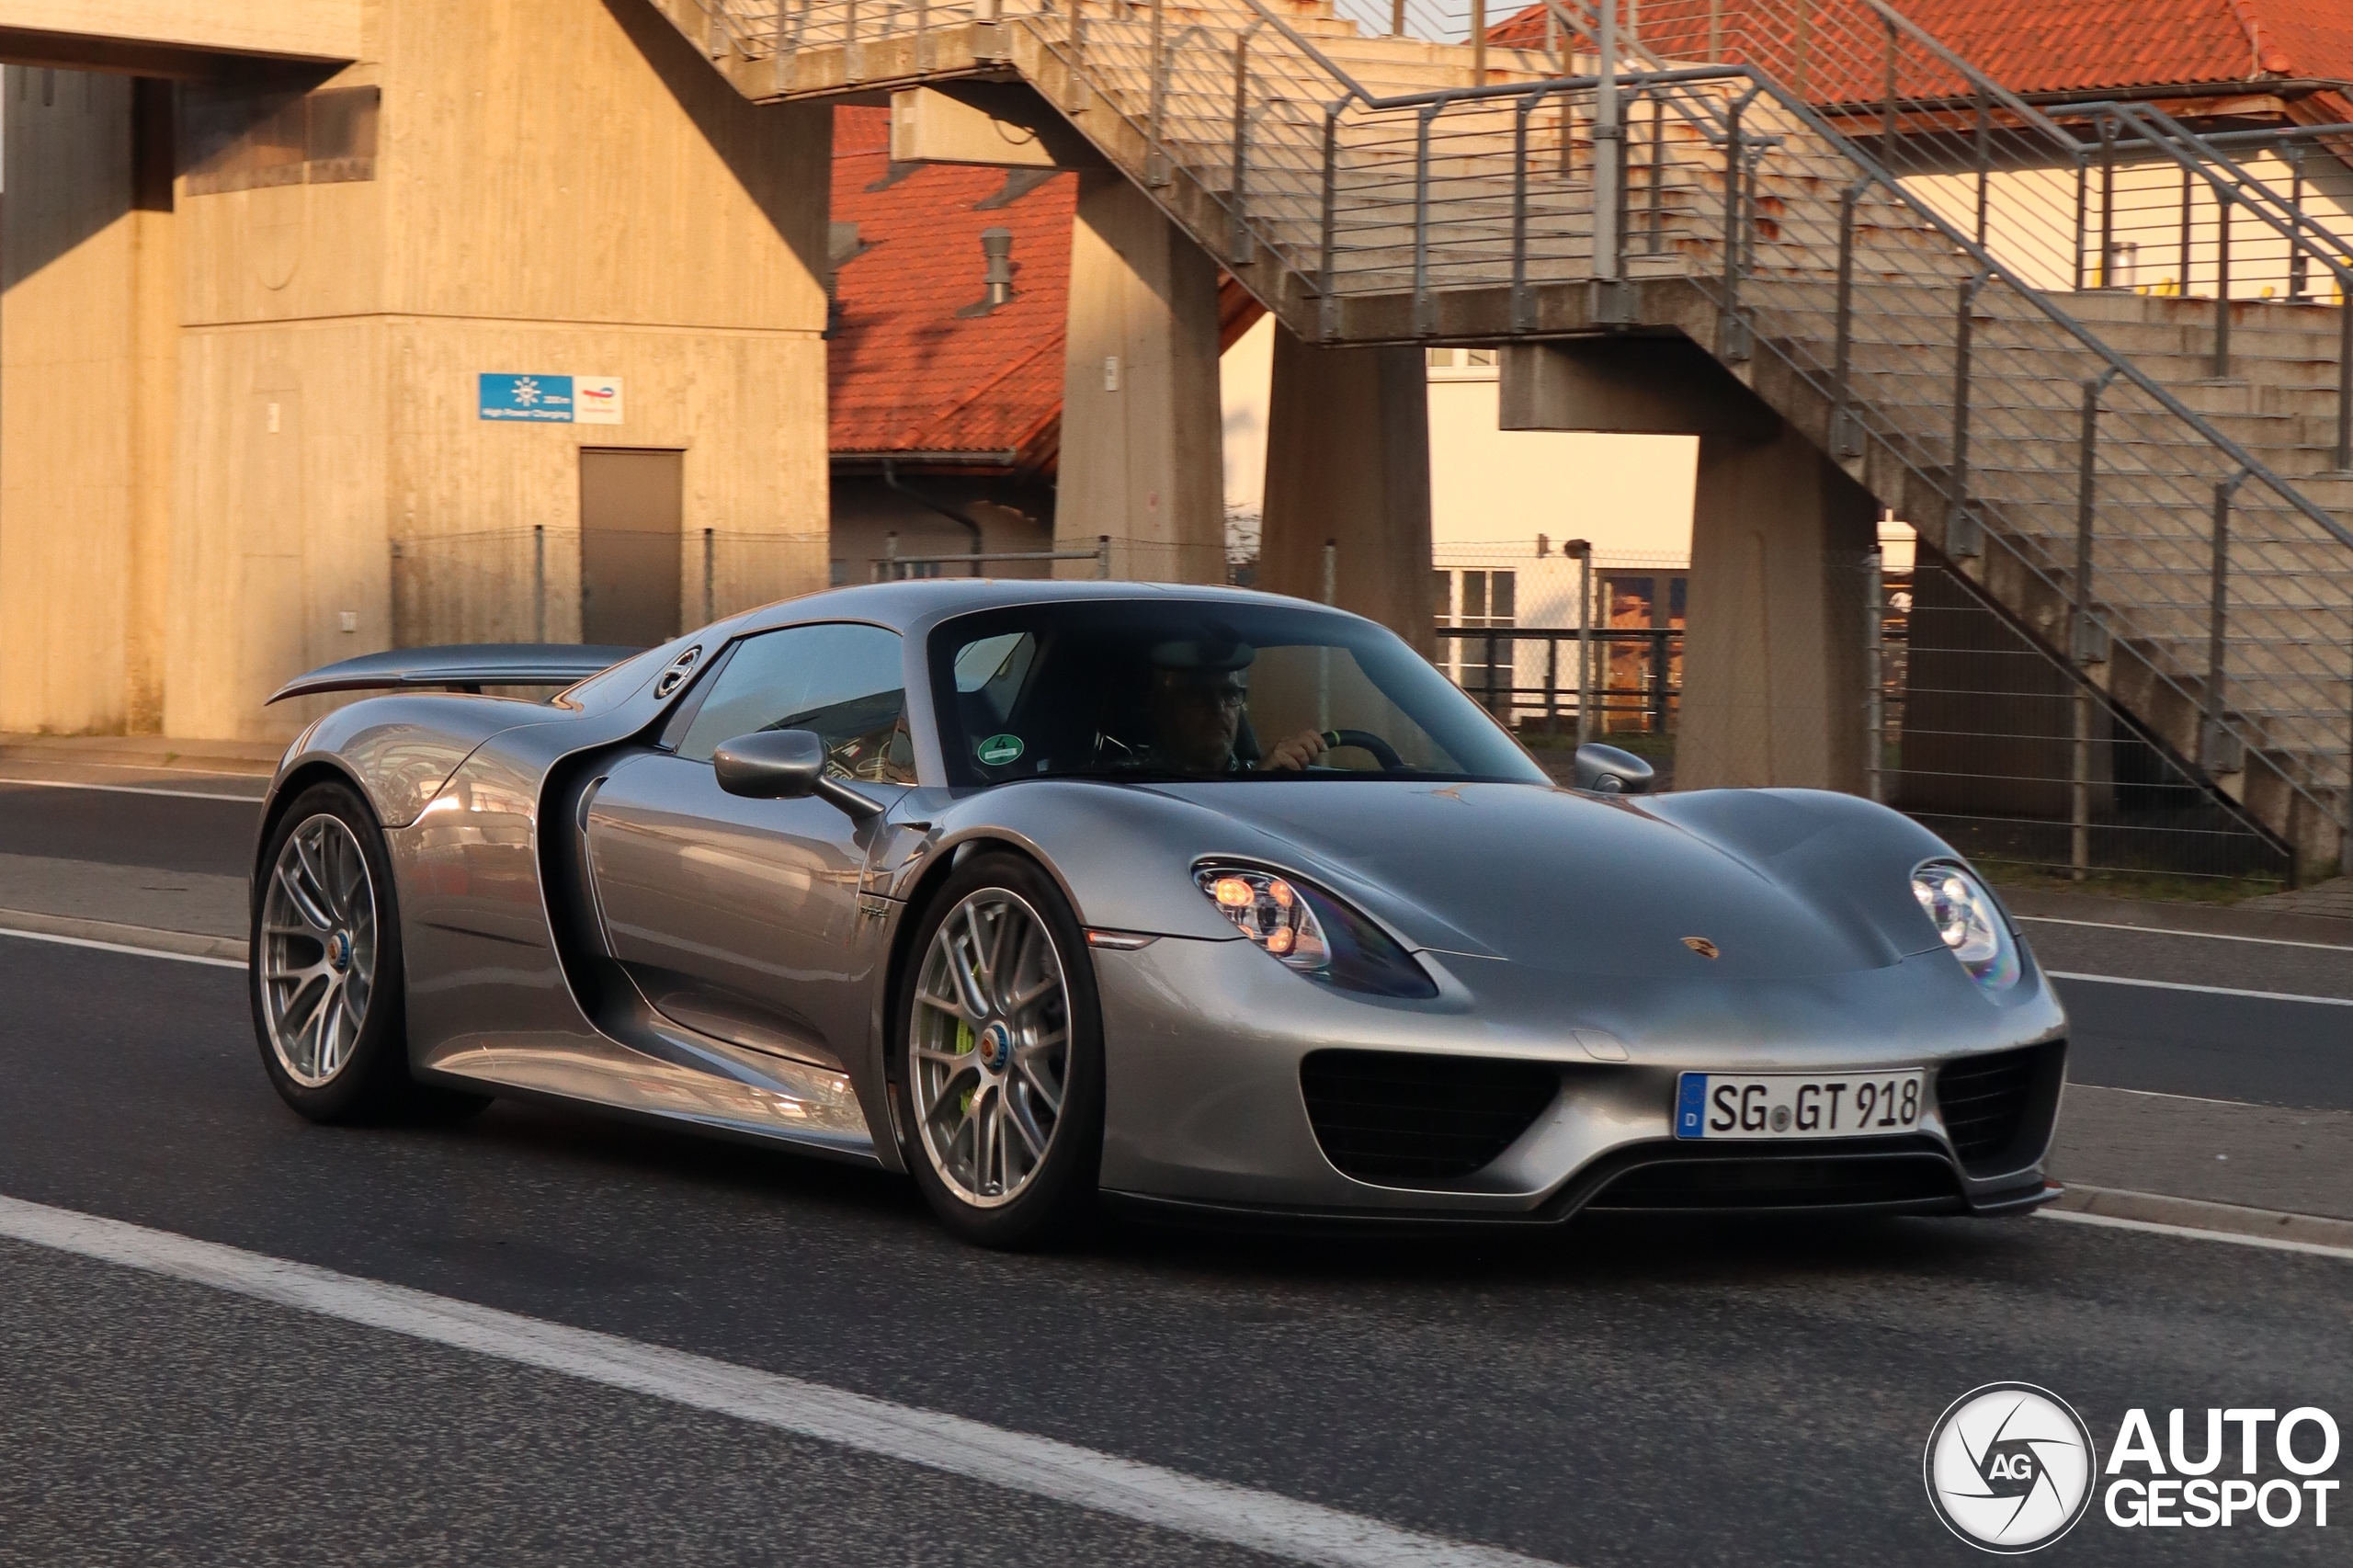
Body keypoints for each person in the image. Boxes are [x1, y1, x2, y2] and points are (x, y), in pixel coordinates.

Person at [1134, 635, 1328, 775]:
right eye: (1198, 695)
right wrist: (1258, 782)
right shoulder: (1127, 785)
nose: (1218, 708)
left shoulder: (1265, 772)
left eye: (1230, 693)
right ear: (1160, 706)